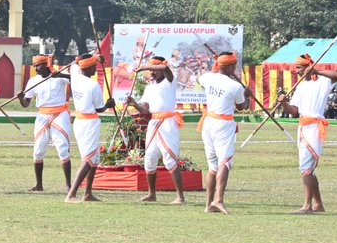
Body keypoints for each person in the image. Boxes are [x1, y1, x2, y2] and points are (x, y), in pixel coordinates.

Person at [275, 53, 337, 214]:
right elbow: (295, 111)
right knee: (309, 168)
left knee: (305, 168)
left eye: (299, 67)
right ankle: (318, 204)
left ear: (307, 67)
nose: (296, 71)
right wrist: (284, 104)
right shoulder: (300, 86)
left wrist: (317, 71)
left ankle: (307, 205)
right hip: (303, 127)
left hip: (314, 128)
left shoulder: (323, 81)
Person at [126, 54, 187, 204]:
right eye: (150, 70)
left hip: (168, 123)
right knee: (149, 159)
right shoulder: (149, 88)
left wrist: (145, 66)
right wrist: (134, 103)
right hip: (153, 123)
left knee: (170, 159)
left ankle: (180, 197)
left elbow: (165, 68)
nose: (152, 73)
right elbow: (145, 109)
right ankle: (151, 194)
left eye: (154, 69)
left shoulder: (169, 82)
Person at [197, 52, 250, 214]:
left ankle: (208, 205)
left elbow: (200, 79)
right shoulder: (235, 86)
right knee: (224, 163)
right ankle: (218, 200)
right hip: (223, 125)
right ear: (231, 66)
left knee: (213, 166)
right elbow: (242, 107)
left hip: (208, 123)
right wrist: (247, 96)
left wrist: (215, 68)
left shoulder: (207, 78)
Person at [63, 54, 117, 203]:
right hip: (89, 124)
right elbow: (100, 108)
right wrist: (109, 104)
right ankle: (72, 194)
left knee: (94, 159)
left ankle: (88, 193)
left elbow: (74, 62)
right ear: (89, 68)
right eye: (94, 66)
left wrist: (93, 56)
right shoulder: (93, 85)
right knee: (88, 160)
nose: (96, 68)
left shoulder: (74, 75)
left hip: (79, 121)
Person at [18, 54, 72, 192]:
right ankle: (39, 185)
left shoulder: (60, 76)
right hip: (42, 115)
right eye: (34, 66)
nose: (36, 68)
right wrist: (20, 98)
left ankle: (69, 186)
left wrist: (61, 76)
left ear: (46, 65)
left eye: (39, 65)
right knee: (38, 151)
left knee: (62, 148)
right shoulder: (33, 81)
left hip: (59, 114)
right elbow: (26, 103)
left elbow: (76, 79)